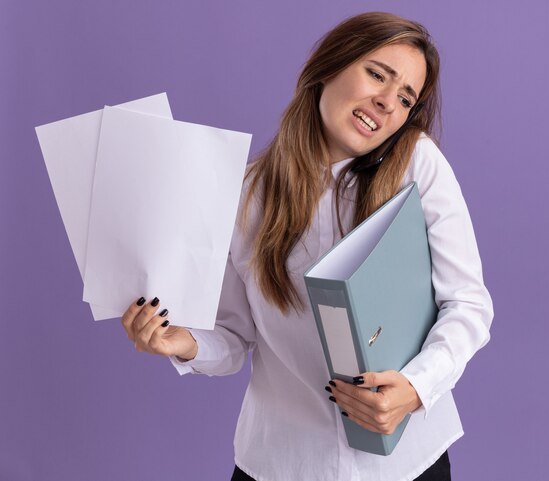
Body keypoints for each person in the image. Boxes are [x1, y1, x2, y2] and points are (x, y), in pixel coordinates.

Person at [121, 11, 493, 481]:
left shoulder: (418, 165)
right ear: (328, 67)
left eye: (404, 99)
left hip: (406, 462)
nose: (386, 103)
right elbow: (236, 339)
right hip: (281, 462)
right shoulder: (247, 193)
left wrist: (416, 387)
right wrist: (185, 343)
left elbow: (468, 304)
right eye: (377, 74)